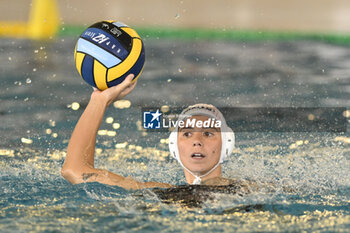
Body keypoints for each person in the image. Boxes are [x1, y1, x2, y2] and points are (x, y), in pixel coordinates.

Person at [61, 74, 241, 190]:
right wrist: (99, 100)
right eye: (187, 133)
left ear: (227, 144)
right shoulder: (159, 193)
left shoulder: (249, 190)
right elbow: (74, 171)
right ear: (174, 146)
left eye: (208, 133)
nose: (197, 141)